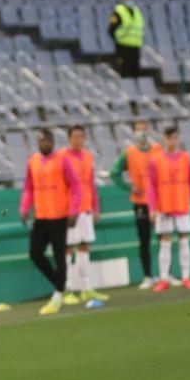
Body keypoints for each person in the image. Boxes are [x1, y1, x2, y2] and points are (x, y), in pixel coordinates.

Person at [19, 128, 82, 316]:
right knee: (35, 252)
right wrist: (24, 208)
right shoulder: (32, 161)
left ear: (52, 142)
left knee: (59, 255)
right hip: (41, 216)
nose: (44, 144)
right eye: (41, 141)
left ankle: (58, 293)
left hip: (60, 215)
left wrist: (74, 210)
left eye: (47, 141)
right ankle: (59, 283)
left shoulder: (62, 160)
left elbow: (76, 186)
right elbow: (28, 188)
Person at [146, 126, 190, 292]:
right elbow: (151, 186)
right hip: (164, 208)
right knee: (165, 243)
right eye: (169, 138)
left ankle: (186, 277)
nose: (172, 141)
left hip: (181, 206)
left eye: (175, 138)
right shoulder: (155, 160)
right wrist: (151, 208)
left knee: (184, 241)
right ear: (164, 139)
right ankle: (164, 278)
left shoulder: (186, 158)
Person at [109, 120, 162, 289]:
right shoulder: (129, 153)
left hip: (159, 202)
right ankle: (148, 276)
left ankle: (165, 275)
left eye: (144, 129)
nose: (142, 133)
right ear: (134, 133)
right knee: (144, 239)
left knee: (164, 238)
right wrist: (129, 187)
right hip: (140, 202)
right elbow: (114, 173)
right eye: (138, 130)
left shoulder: (157, 150)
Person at [62, 126, 108, 309]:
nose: (78, 140)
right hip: (70, 210)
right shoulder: (63, 157)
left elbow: (90, 183)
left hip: (86, 209)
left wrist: (95, 207)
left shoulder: (88, 156)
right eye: (75, 136)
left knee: (84, 247)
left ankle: (86, 288)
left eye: (81, 136)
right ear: (69, 139)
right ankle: (67, 289)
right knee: (68, 249)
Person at [109, 0, 144, 79]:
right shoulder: (118, 11)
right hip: (123, 46)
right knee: (125, 71)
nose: (129, 0)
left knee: (135, 71)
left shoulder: (137, 11)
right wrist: (118, 41)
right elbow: (111, 29)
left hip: (136, 45)